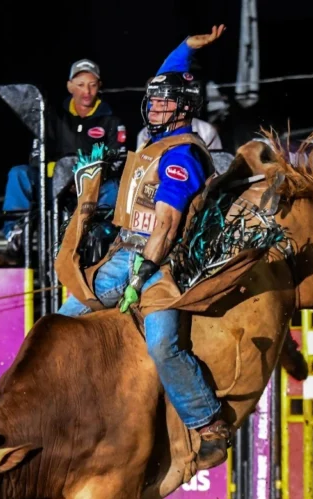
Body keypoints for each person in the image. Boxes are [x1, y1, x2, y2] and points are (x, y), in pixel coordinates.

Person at [57, 25, 230, 468]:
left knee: (163, 344)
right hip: (128, 249)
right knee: (63, 322)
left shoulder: (179, 158)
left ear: (183, 109)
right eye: (152, 100)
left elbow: (168, 226)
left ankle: (208, 421)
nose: (155, 106)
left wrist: (137, 277)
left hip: (164, 262)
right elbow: (167, 74)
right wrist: (189, 48)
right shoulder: (157, 141)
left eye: (164, 102)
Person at [0, 57, 125, 258]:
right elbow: (36, 156)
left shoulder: (111, 120)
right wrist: (64, 177)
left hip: (92, 188)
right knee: (19, 173)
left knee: (114, 187)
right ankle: (16, 233)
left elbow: (117, 160)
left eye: (92, 85)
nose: (87, 91)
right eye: (81, 85)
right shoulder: (52, 117)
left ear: (99, 86)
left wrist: (86, 178)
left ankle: (102, 236)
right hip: (54, 184)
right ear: (69, 86)